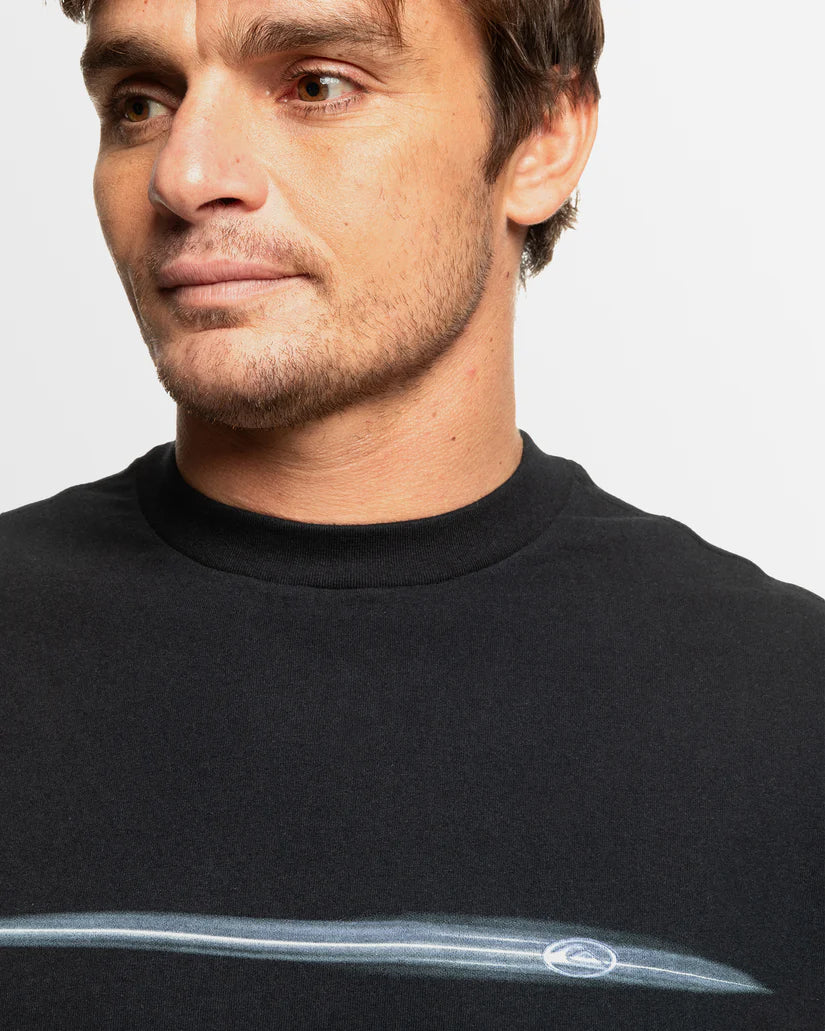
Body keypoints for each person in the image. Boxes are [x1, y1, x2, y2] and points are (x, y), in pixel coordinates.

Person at [1, 0, 821, 1027]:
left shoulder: (795, 724)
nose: (185, 173)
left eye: (317, 85)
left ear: (541, 139)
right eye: (139, 103)